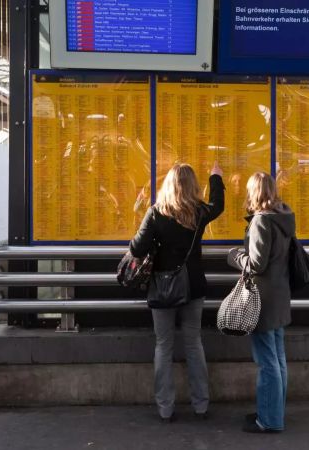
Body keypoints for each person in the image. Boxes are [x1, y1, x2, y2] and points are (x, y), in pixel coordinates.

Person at [129, 162, 225, 422]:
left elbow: (137, 248)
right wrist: (216, 178)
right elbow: (218, 204)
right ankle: (201, 405)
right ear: (192, 186)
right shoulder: (199, 212)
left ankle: (165, 408)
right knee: (194, 344)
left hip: (162, 288)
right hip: (193, 287)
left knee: (163, 345)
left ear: (168, 185)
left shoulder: (156, 213)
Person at [227, 172, 294, 434]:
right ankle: (273, 410)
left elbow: (256, 264)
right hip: (280, 294)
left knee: (267, 361)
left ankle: (269, 420)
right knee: (278, 358)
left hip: (263, 299)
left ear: (254, 192)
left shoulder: (261, 221)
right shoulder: (283, 218)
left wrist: (235, 256)